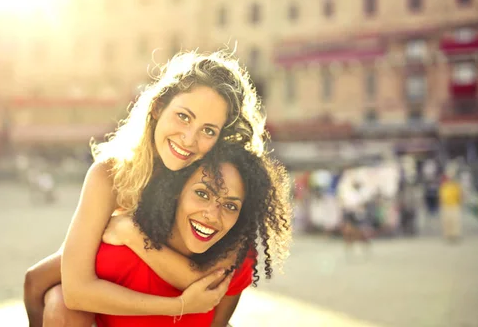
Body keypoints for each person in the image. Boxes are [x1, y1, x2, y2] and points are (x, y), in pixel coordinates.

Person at [24, 50, 270, 326]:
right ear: (157, 107)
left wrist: (131, 234)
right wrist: (177, 306)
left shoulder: (213, 185)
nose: (189, 139)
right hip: (97, 304)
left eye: (208, 130)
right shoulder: (112, 176)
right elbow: (55, 286)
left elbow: (209, 282)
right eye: (183, 117)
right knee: (52, 295)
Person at [70, 141, 289, 326]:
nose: (213, 215)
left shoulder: (239, 261)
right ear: (177, 191)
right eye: (202, 194)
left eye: (231, 206)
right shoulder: (117, 248)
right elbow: (42, 283)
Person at [439, 174, 463, 243]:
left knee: (455, 221)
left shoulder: (456, 186)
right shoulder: (444, 187)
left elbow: (460, 196)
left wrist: (459, 203)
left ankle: (455, 235)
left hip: (454, 205)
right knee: (447, 222)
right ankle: (448, 235)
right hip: (446, 206)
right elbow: (441, 197)